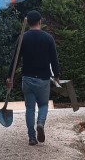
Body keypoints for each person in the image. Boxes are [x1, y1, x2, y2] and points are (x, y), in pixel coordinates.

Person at [6, 10, 60, 146]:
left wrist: (8, 77)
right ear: (40, 21)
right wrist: (57, 76)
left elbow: (15, 60)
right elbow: (54, 60)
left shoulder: (22, 37)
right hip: (43, 78)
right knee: (43, 105)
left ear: (28, 22)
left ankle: (31, 137)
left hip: (28, 79)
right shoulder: (48, 38)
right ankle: (40, 123)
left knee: (30, 108)